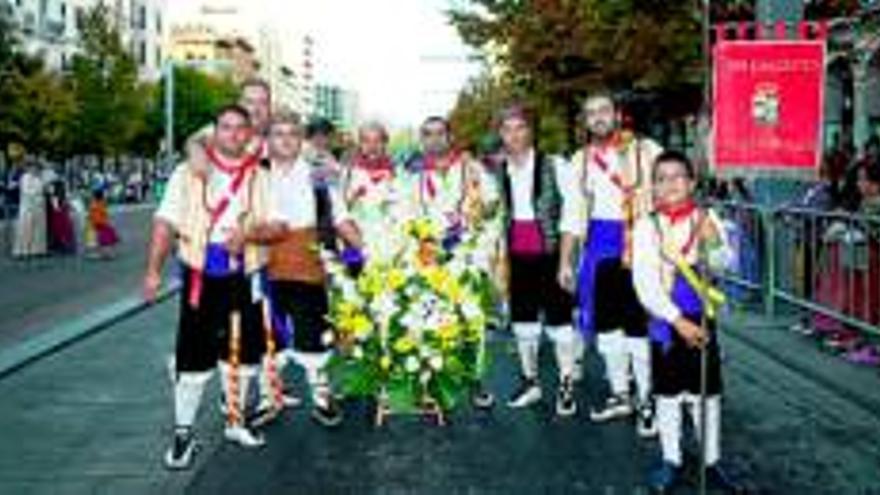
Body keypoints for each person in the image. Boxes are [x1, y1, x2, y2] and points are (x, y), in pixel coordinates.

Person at [143, 105, 277, 470]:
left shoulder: (261, 178)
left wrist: (249, 233)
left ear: (248, 135)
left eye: (239, 129)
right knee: (193, 355)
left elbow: (278, 227)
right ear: (214, 133)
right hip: (200, 276)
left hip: (245, 274)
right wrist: (152, 272)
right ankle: (183, 434)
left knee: (246, 353)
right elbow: (164, 223)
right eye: (226, 127)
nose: (233, 134)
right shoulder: (187, 173)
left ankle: (236, 420)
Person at [631, 150, 740, 493]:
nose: (670, 184)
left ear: (692, 182)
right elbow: (644, 283)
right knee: (668, 394)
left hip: (702, 319)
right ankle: (671, 458)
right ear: (653, 188)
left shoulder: (707, 219)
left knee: (706, 394)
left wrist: (713, 244)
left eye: (678, 176)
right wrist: (677, 321)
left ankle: (711, 460)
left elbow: (727, 264)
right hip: (666, 322)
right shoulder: (647, 226)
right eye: (661, 179)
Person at [560, 92, 662, 435]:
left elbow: (671, 194)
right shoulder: (581, 160)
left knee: (639, 324)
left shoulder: (647, 151)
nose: (598, 117)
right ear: (586, 122)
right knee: (607, 326)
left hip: (642, 239)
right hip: (601, 243)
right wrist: (565, 262)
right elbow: (573, 215)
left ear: (617, 114)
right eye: (591, 113)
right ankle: (621, 394)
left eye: (604, 110)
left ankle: (647, 399)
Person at [258, 111, 363, 427]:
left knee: (313, 334)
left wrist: (363, 248)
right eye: (278, 133)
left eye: (292, 133)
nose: (286, 139)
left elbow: (340, 216)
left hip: (309, 263)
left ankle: (321, 397)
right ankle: (268, 397)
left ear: (300, 139)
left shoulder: (319, 174)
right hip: (264, 263)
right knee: (267, 336)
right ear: (269, 140)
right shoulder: (255, 175)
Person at [403, 116, 502, 408]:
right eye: (428, 134)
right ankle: (431, 380)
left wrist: (477, 241)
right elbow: (404, 215)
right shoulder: (412, 175)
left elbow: (493, 207)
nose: (434, 139)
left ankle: (475, 380)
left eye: (439, 133)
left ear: (450, 137)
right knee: (430, 319)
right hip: (429, 257)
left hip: (467, 256)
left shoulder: (472, 170)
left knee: (471, 320)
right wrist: (419, 243)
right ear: (422, 140)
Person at [492, 105, 580, 417]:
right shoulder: (500, 170)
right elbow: (500, 216)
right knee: (523, 322)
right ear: (501, 134)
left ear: (531, 131)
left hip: (551, 253)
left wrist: (566, 262)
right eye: (507, 129)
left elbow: (572, 215)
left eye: (520, 128)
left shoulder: (556, 165)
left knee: (560, 322)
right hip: (518, 254)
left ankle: (566, 383)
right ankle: (530, 382)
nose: (514, 135)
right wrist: (499, 262)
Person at [341, 121, 401, 262]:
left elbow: (402, 208)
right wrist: (354, 196)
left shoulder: (396, 172)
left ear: (384, 143)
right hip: (357, 237)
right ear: (360, 144)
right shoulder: (349, 172)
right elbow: (340, 210)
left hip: (388, 239)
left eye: (377, 141)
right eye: (366, 141)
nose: (372, 146)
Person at [12, 160, 48, 259]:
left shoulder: (39, 178)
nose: (35, 169)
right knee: (26, 229)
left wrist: (43, 191)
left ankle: (37, 250)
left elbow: (43, 189)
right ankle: (23, 251)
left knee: (38, 230)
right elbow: (26, 191)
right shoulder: (25, 177)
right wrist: (37, 194)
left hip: (39, 206)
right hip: (28, 206)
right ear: (29, 168)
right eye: (33, 167)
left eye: (36, 168)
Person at [87, 188, 120, 259]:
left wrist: (92, 221)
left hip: (100, 224)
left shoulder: (95, 204)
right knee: (107, 239)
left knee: (103, 240)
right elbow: (102, 214)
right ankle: (108, 253)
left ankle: (107, 254)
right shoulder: (101, 203)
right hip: (103, 223)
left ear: (94, 196)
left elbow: (93, 216)